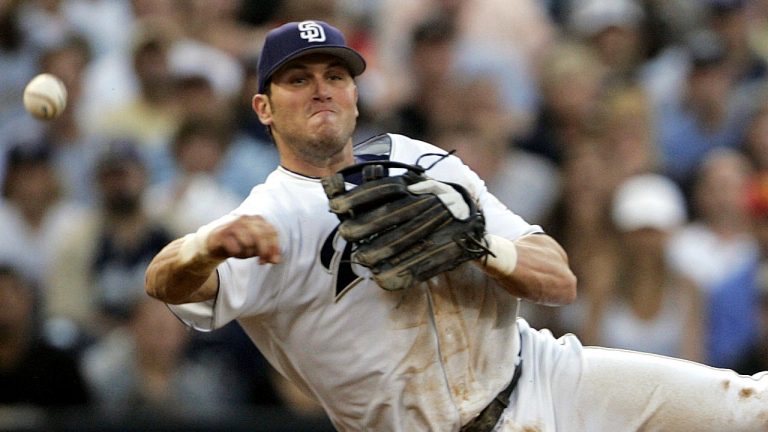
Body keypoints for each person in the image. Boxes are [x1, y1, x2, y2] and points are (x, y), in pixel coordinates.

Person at [145, 20, 768, 431]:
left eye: (336, 76)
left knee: (749, 407)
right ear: (263, 107)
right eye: (298, 79)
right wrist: (204, 245)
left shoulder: (416, 160)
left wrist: (477, 245)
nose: (322, 90)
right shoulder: (266, 217)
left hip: (544, 374)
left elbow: (559, 279)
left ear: (356, 96)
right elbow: (164, 281)